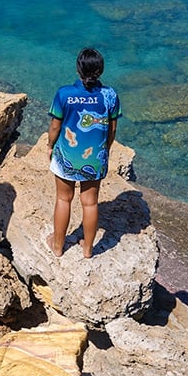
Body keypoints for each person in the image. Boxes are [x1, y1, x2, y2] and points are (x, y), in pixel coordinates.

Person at [47, 47, 121, 259]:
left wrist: (50, 145)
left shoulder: (64, 94)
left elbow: (55, 127)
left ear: (78, 69)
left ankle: (58, 246)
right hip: (95, 158)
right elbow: (112, 129)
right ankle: (88, 249)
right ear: (101, 71)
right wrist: (105, 150)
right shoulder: (110, 95)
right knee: (90, 202)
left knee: (63, 199)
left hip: (66, 157)